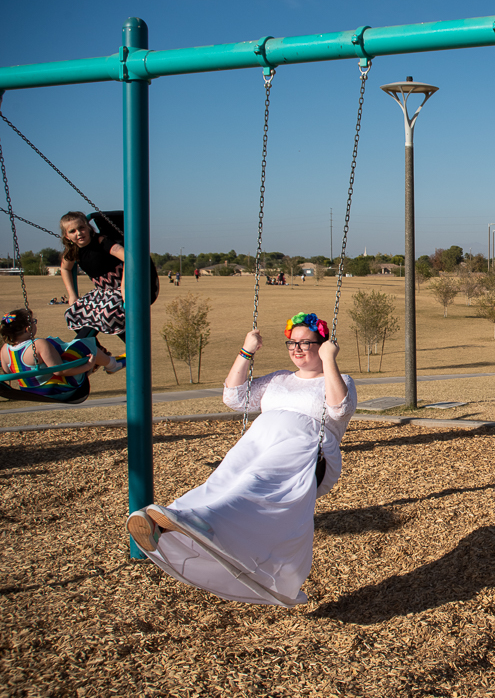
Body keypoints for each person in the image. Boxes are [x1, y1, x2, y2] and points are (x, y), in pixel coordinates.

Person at [126, 312, 356, 606]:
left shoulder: (340, 379)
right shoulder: (279, 379)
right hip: (259, 443)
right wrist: (247, 350)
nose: (296, 349)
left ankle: (199, 521)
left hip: (304, 451)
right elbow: (234, 397)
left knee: (253, 481)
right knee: (224, 479)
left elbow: (339, 408)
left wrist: (329, 360)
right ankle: (169, 521)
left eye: (305, 343)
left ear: (322, 345)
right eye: (291, 343)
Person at [1, 309, 123, 397]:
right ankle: (112, 364)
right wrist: (88, 366)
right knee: (83, 344)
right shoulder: (38, 344)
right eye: (34, 322)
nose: (35, 324)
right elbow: (60, 371)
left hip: (28, 391)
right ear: (28, 328)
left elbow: (7, 372)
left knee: (53, 344)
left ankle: (108, 363)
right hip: (56, 389)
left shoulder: (5, 349)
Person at [59, 211, 126, 344]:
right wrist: (72, 295)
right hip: (102, 290)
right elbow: (65, 268)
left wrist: (124, 287)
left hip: (120, 286)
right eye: (72, 231)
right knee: (72, 314)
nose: (79, 233)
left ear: (89, 228)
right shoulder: (73, 250)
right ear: (67, 236)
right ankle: (95, 348)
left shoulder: (101, 242)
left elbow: (127, 257)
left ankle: (132, 346)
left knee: (108, 314)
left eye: (81, 228)